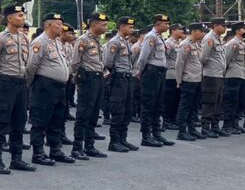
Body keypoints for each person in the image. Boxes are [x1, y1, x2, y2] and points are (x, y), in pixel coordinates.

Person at [0, 5, 34, 173]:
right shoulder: (0, 39)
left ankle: (16, 158)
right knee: (1, 122)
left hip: (20, 83)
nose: (22, 18)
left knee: (19, 122)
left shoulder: (24, 38)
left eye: (23, 15)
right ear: (9, 18)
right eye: (19, 15)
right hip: (5, 83)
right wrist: (3, 70)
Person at [26, 12, 72, 165]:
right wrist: (32, 85)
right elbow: (31, 66)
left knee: (57, 120)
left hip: (59, 87)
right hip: (45, 86)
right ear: (48, 25)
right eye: (58, 24)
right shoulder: (40, 42)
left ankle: (55, 150)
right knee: (40, 120)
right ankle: (38, 153)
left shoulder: (57, 42)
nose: (62, 27)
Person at [69, 13, 109, 159]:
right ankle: (77, 147)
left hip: (98, 78)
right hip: (88, 79)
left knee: (94, 114)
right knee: (84, 114)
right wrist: (78, 81)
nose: (105, 27)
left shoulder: (98, 40)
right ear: (94, 25)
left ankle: (90, 146)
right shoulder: (83, 40)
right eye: (103, 25)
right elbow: (75, 62)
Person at [135, 13, 174, 148]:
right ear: (157, 24)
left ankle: (157, 133)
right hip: (151, 72)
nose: (168, 26)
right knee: (148, 104)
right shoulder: (151, 36)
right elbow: (143, 57)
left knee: (158, 104)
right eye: (165, 24)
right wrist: (140, 72)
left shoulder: (159, 37)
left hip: (160, 72)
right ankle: (146, 136)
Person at [104, 17, 137, 153]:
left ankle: (123, 139)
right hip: (118, 78)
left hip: (127, 78)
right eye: (130, 27)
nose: (132, 29)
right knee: (118, 110)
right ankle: (114, 141)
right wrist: (115, 74)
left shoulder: (126, 42)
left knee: (127, 109)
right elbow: (108, 62)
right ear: (122, 27)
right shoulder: (114, 42)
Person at [174, 23, 207, 140]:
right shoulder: (185, 44)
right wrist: (178, 80)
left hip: (197, 79)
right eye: (201, 31)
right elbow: (179, 63)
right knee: (185, 106)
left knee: (194, 106)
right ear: (194, 31)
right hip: (188, 79)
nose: (203, 34)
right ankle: (182, 131)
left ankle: (192, 129)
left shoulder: (197, 44)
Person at [199, 18, 228, 137]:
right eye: (223, 26)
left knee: (218, 101)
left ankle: (215, 125)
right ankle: (206, 127)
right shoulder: (209, 38)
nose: (225, 28)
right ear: (215, 26)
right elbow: (203, 57)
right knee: (209, 101)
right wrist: (208, 69)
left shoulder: (218, 38)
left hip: (219, 74)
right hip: (211, 74)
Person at [220, 22, 245, 134]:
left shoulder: (241, 43)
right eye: (244, 29)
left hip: (241, 75)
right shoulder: (233, 43)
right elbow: (226, 59)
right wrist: (225, 73)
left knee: (239, 101)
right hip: (232, 75)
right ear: (237, 31)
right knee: (230, 101)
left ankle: (235, 123)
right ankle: (227, 125)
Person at [161, 24, 186, 132]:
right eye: (179, 29)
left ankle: (173, 119)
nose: (182, 31)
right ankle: (166, 121)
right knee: (169, 99)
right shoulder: (169, 43)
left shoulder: (180, 43)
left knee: (176, 99)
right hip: (170, 74)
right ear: (173, 31)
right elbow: (164, 57)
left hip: (178, 75)